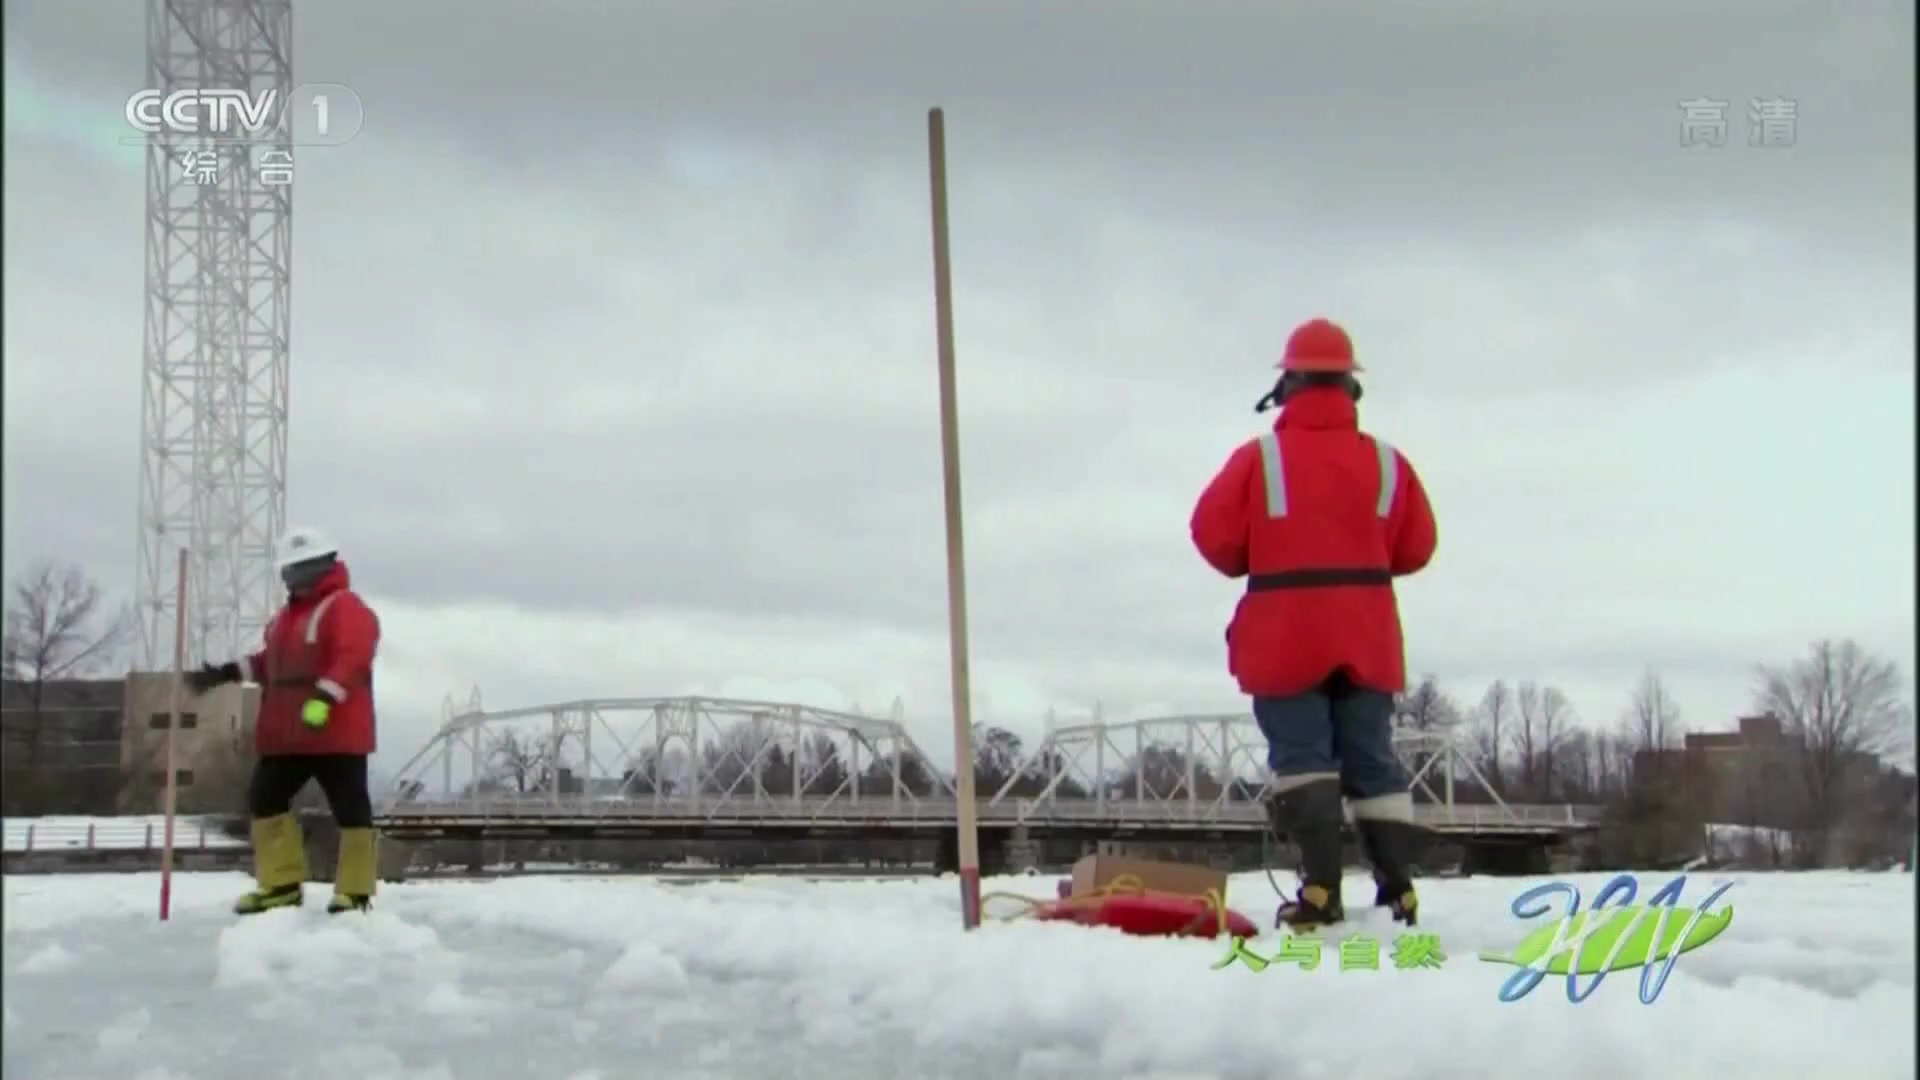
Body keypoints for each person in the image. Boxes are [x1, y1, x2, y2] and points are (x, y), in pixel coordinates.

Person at [1189, 317, 1438, 931]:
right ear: (1352, 387)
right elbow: (1416, 548)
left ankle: (1322, 892)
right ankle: (1399, 890)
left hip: (1285, 631)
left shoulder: (1259, 460)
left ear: (1288, 385)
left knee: (1304, 760)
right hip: (1367, 631)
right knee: (1372, 760)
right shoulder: (1388, 462)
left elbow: (1214, 540)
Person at [187, 527, 383, 916]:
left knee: (350, 808)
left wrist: (325, 699)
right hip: (287, 733)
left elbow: (352, 656)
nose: (289, 577)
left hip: (336, 734)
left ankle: (355, 890)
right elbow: (269, 663)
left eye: (296, 568)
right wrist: (227, 672)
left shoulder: (345, 608)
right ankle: (281, 883)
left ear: (318, 566)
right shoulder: (284, 620)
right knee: (265, 799)